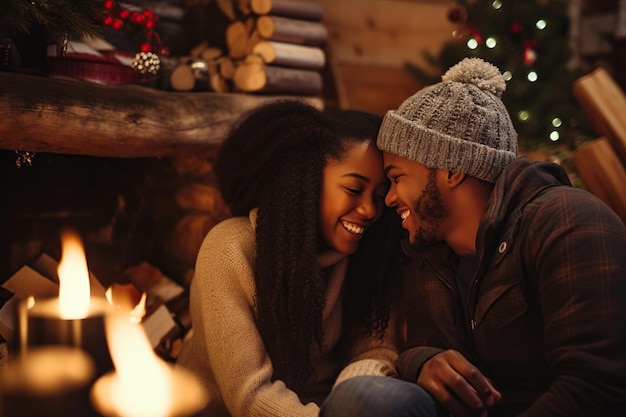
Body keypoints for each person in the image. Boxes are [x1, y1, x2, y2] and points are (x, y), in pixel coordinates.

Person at [321, 57, 626, 417]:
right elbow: (420, 343)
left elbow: (596, 389)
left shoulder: (568, 222)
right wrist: (423, 361)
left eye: (397, 176)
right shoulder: (430, 252)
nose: (388, 199)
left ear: (450, 169)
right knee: (361, 398)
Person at [176, 100, 434, 417]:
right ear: (307, 183)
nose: (370, 210)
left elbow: (375, 348)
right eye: (354, 189)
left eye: (379, 196)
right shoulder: (230, 248)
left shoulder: (367, 253)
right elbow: (249, 397)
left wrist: (353, 400)